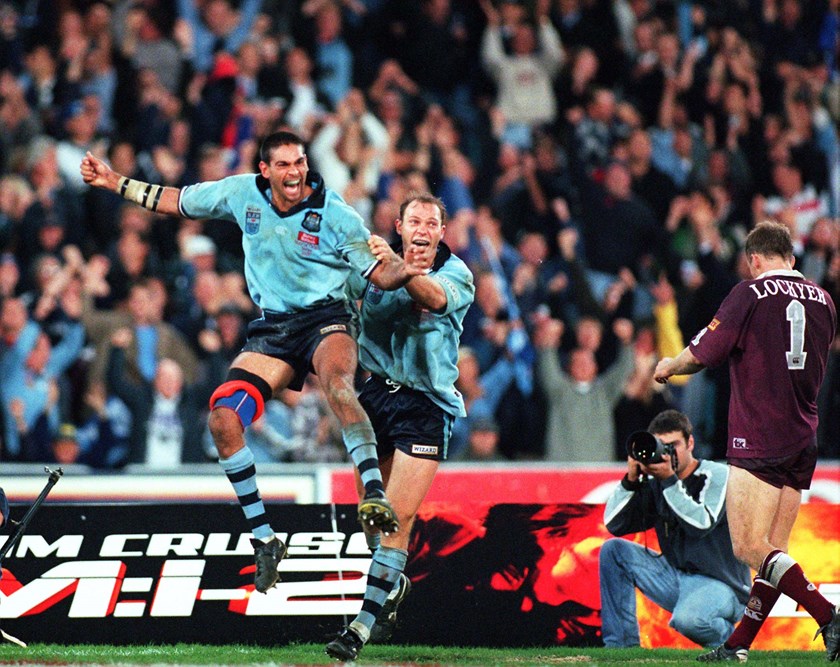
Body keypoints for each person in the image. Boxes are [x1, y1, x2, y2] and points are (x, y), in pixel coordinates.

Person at [80, 130, 426, 594]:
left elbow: (379, 273)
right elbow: (175, 200)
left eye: (299, 162)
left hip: (327, 318)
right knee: (223, 420)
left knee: (340, 388)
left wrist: (405, 268)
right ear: (265, 170)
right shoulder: (242, 193)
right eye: (284, 164)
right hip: (274, 329)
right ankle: (265, 539)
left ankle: (374, 495)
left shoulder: (336, 214)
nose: (295, 172)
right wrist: (114, 181)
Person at [653, 221, 839, 662]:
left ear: (754, 259)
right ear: (790, 258)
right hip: (803, 435)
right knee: (774, 553)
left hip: (759, 433)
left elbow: (704, 351)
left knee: (750, 546)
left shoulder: (749, 293)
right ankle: (737, 646)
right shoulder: (825, 300)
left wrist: (669, 365)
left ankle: (829, 615)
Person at [324, 193, 475, 661]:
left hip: (425, 405)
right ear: (400, 226)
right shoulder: (374, 265)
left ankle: (360, 628)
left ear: (442, 232)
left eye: (431, 223)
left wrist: (398, 268)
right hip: (375, 396)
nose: (423, 229)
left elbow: (432, 297)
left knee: (397, 516)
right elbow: (338, 294)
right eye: (415, 221)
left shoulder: (456, 273)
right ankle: (392, 581)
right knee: (369, 511)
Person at [600, 409, 751, 648]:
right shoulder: (657, 481)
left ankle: (730, 644)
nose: (668, 453)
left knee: (688, 621)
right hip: (675, 576)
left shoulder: (717, 474)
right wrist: (629, 481)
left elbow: (701, 524)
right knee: (614, 551)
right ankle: (621, 649)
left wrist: (669, 481)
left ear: (690, 443)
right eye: (662, 446)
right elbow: (614, 525)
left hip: (723, 583)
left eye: (674, 445)